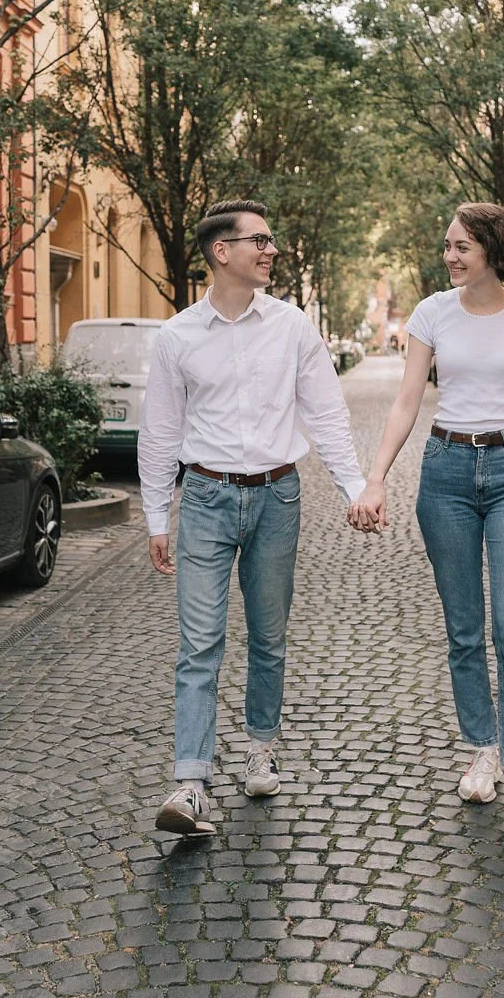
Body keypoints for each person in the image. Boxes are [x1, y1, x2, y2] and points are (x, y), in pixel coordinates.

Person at [139, 199, 367, 839]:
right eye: (259, 241)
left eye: (270, 241)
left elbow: (325, 413)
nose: (270, 250)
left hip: (278, 498)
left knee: (268, 637)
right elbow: (159, 433)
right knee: (200, 643)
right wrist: (158, 515)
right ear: (222, 252)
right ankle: (190, 784)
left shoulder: (292, 326)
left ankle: (261, 749)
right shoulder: (178, 336)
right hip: (206, 500)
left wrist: (353, 484)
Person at [349, 202, 504, 835]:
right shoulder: (431, 313)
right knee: (465, 629)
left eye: (462, 245)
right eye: (447, 245)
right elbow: (407, 399)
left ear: (494, 249)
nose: (451, 255)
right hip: (444, 473)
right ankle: (483, 750)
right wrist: (377, 475)